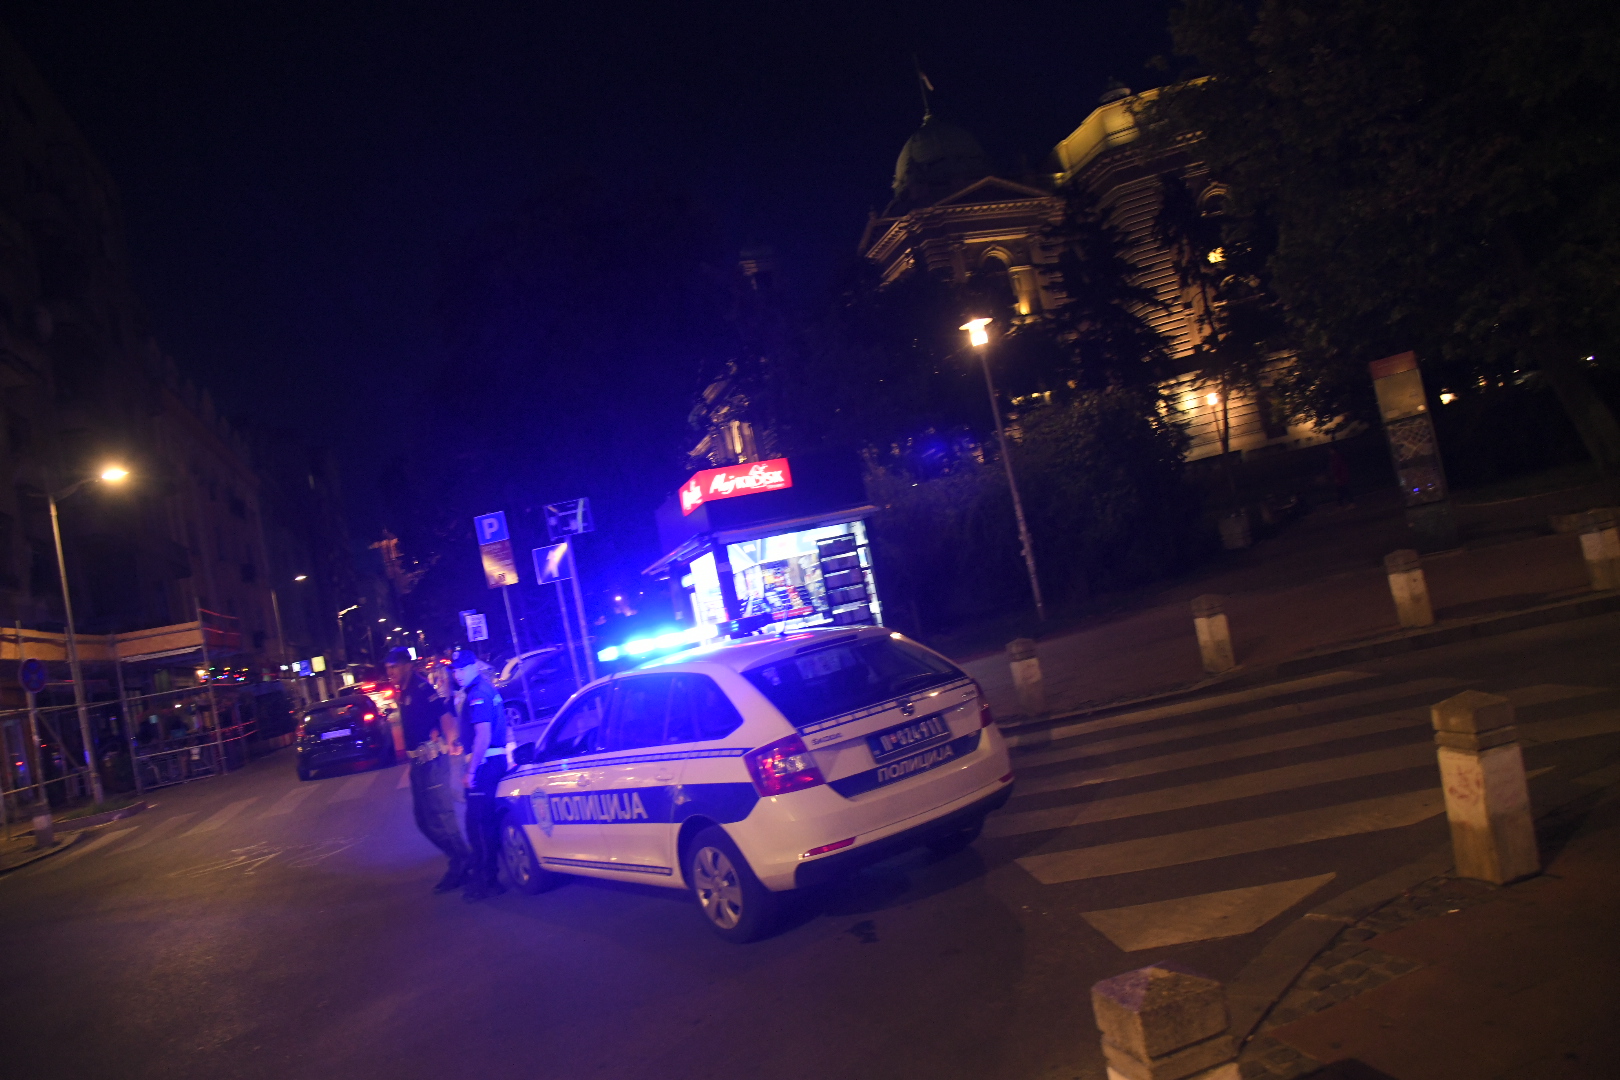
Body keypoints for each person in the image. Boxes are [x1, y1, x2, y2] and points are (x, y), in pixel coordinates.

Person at [387, 647, 470, 893]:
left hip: (433, 764)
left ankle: (462, 861)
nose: (390, 672)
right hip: (419, 765)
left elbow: (444, 716)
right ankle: (461, 856)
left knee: (442, 815)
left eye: (394, 667)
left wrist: (453, 744)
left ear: (406, 665)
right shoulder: (403, 692)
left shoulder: (421, 688)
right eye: (388, 668)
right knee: (423, 820)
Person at [450, 649, 508, 902]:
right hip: (492, 761)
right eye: (455, 670)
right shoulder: (484, 688)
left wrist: (471, 770)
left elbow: (483, 735)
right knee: (485, 822)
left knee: (478, 825)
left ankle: (485, 881)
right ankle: (490, 877)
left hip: (484, 764)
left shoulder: (477, 695)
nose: (458, 674)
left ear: (473, 666)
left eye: (462, 669)